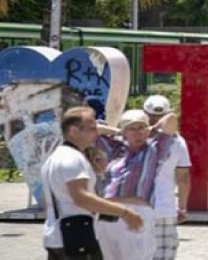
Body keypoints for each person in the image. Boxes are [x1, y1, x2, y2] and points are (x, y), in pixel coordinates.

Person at [41, 107, 144, 260]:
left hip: (57, 236)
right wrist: (125, 212)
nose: (97, 132)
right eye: (92, 128)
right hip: (75, 239)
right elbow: (82, 198)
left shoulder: (55, 157)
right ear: (74, 131)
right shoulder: (72, 159)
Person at [95, 109, 178, 260]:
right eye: (131, 129)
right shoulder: (115, 149)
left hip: (137, 209)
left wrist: (153, 128)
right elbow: (92, 129)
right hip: (109, 210)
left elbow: (171, 119)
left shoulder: (154, 149)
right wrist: (117, 131)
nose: (137, 133)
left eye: (141, 128)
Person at [143, 95, 191, 260]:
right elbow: (183, 178)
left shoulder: (136, 139)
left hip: (137, 208)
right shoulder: (177, 142)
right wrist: (182, 208)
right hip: (164, 209)